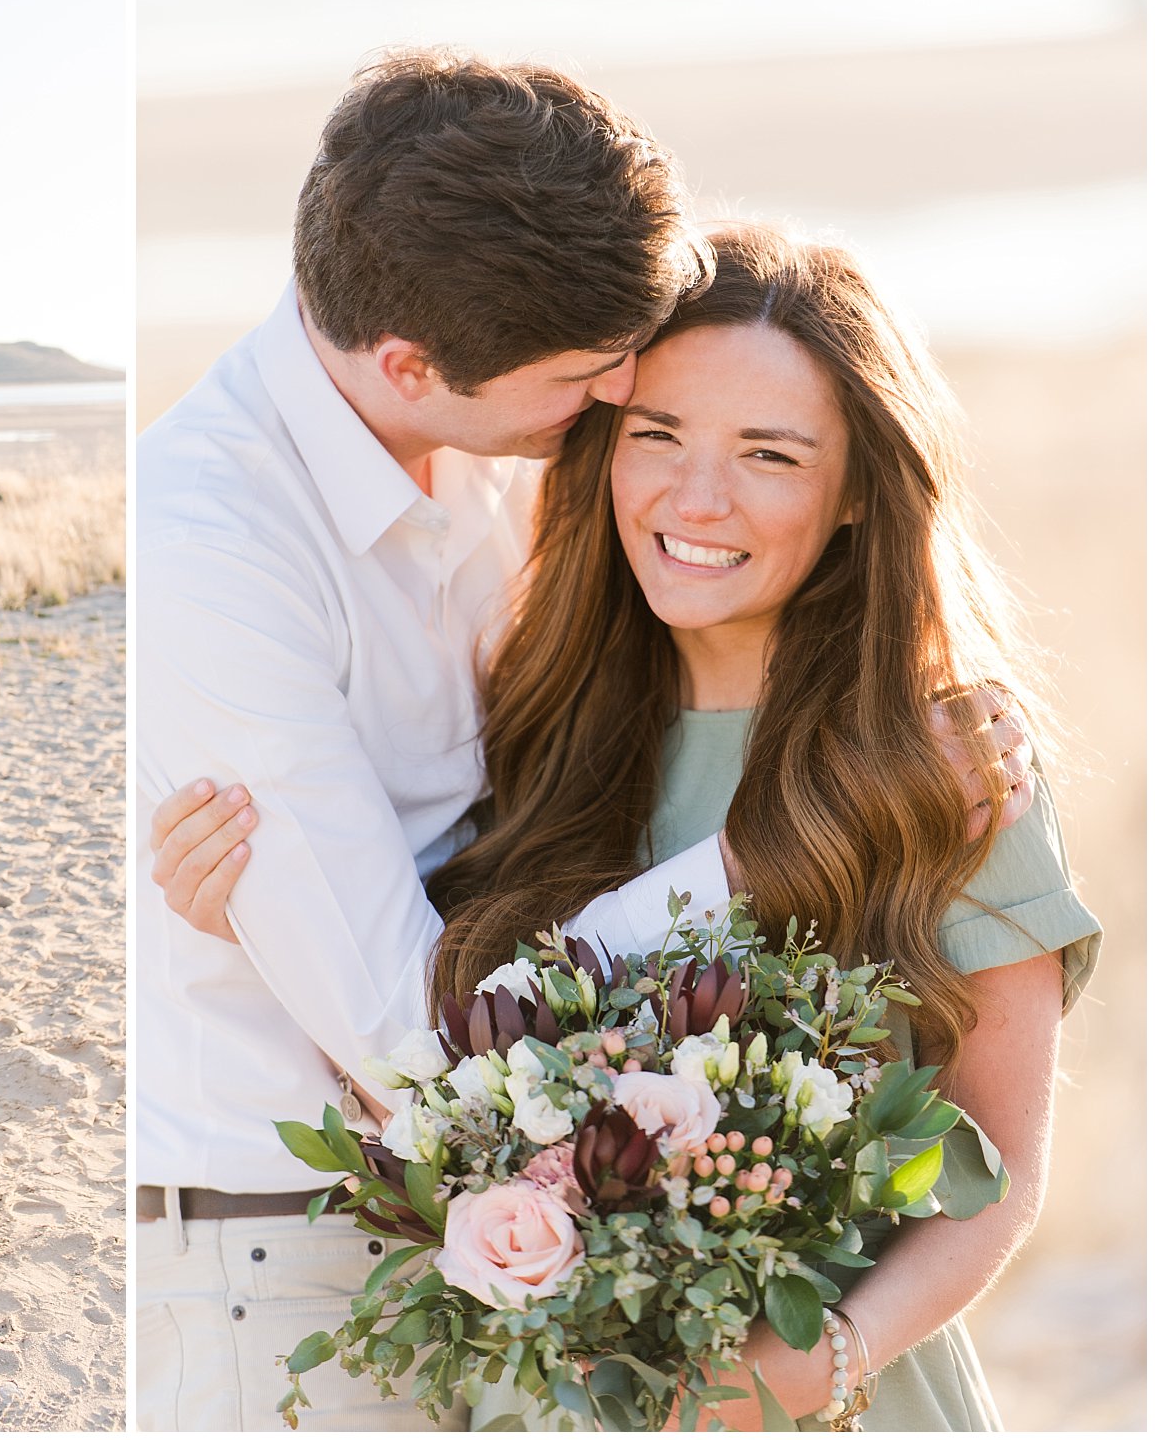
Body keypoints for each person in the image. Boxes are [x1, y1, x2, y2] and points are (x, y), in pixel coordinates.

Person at [155, 223, 1097, 1430]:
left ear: (858, 487)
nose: (694, 498)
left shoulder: (943, 763)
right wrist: (247, 913)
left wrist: (820, 1367)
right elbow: (427, 1058)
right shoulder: (535, 726)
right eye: (657, 436)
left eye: (769, 454)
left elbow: (997, 1167)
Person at [134, 49, 738, 1433]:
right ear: (409, 362)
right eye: (589, 373)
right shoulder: (210, 548)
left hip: (497, 1229)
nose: (619, 395)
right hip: (283, 1264)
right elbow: (416, 1042)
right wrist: (757, 858)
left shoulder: (491, 435)